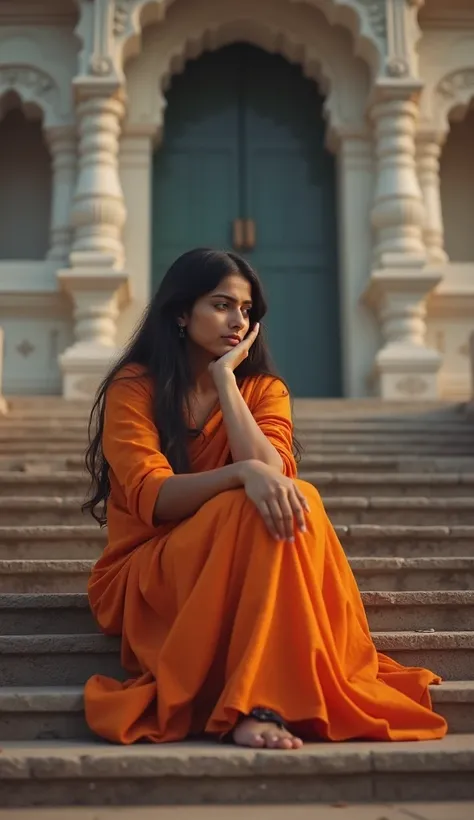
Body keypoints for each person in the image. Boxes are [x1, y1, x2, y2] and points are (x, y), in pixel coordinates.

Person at [83, 248, 447, 749]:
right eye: (221, 304)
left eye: (247, 309)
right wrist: (243, 474)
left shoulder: (263, 388)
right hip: (150, 570)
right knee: (249, 502)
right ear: (181, 313)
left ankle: (260, 702)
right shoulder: (135, 387)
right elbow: (156, 497)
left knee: (298, 497)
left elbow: (273, 472)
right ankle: (260, 700)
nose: (238, 320)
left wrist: (225, 383)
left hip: (244, 551)